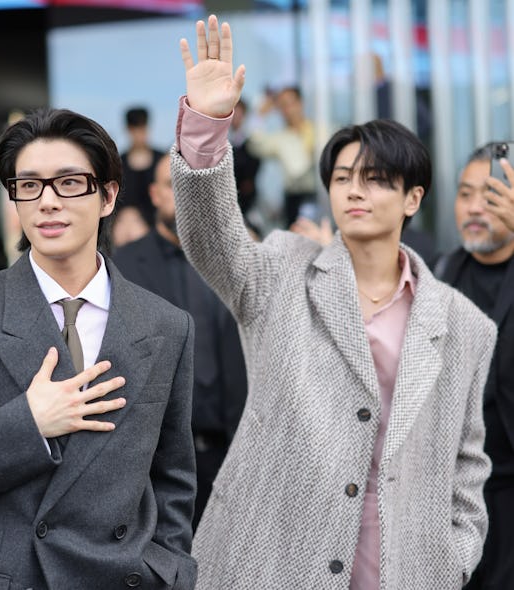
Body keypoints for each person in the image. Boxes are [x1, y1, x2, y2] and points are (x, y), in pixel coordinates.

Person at [173, 16, 495, 589]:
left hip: (401, 567)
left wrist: (455, 556)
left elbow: (467, 464)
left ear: (413, 198)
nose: (354, 189)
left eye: (375, 179)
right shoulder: (281, 268)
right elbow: (210, 237)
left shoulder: (463, 322)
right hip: (271, 555)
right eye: (343, 176)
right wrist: (207, 126)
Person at [0, 107, 197, 589]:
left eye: (70, 183)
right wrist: (27, 426)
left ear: (108, 195)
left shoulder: (165, 324)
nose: (47, 202)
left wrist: (168, 568)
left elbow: (173, 476)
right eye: (28, 185)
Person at [113, 152, 248, 531]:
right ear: (155, 194)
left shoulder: (238, 259)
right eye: (175, 186)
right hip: (155, 460)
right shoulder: (122, 265)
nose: (185, 195)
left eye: (193, 187)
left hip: (230, 451)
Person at [438, 143, 514, 590]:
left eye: (491, 196)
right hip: (456, 496)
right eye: (465, 194)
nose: (474, 208)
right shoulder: (440, 275)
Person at [246, 85, 317, 227]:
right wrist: (260, 116)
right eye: (282, 106)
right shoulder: (279, 139)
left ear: (300, 103)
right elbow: (255, 145)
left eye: (290, 103)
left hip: (318, 196)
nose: (288, 109)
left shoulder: (317, 129)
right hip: (294, 199)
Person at [120, 106, 164, 227]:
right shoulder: (117, 164)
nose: (139, 135)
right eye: (135, 130)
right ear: (128, 130)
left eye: (142, 129)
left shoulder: (162, 161)